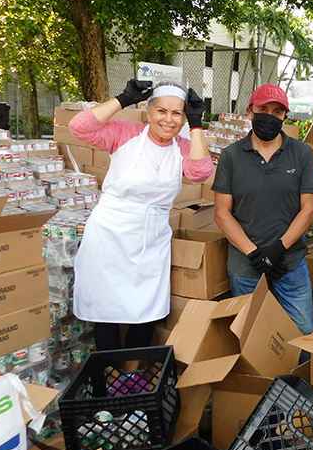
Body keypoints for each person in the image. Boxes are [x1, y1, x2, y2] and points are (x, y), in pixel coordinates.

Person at [70, 79, 213, 351]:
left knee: (145, 312)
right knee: (106, 311)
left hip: (151, 238)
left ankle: (133, 377)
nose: (168, 120)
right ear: (149, 111)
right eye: (162, 111)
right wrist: (122, 99)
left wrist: (196, 125)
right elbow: (79, 127)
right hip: (109, 234)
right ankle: (112, 376)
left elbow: (200, 172)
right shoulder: (125, 133)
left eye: (177, 113)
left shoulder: (182, 146)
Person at [212, 84, 313, 335]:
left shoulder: (302, 154)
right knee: (251, 333)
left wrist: (277, 249)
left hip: (289, 262)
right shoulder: (231, 156)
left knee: (302, 330)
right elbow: (221, 213)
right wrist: (255, 254)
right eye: (263, 109)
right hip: (245, 265)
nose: (269, 117)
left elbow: (309, 210)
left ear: (285, 116)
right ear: (250, 112)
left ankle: (296, 376)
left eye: (276, 111)